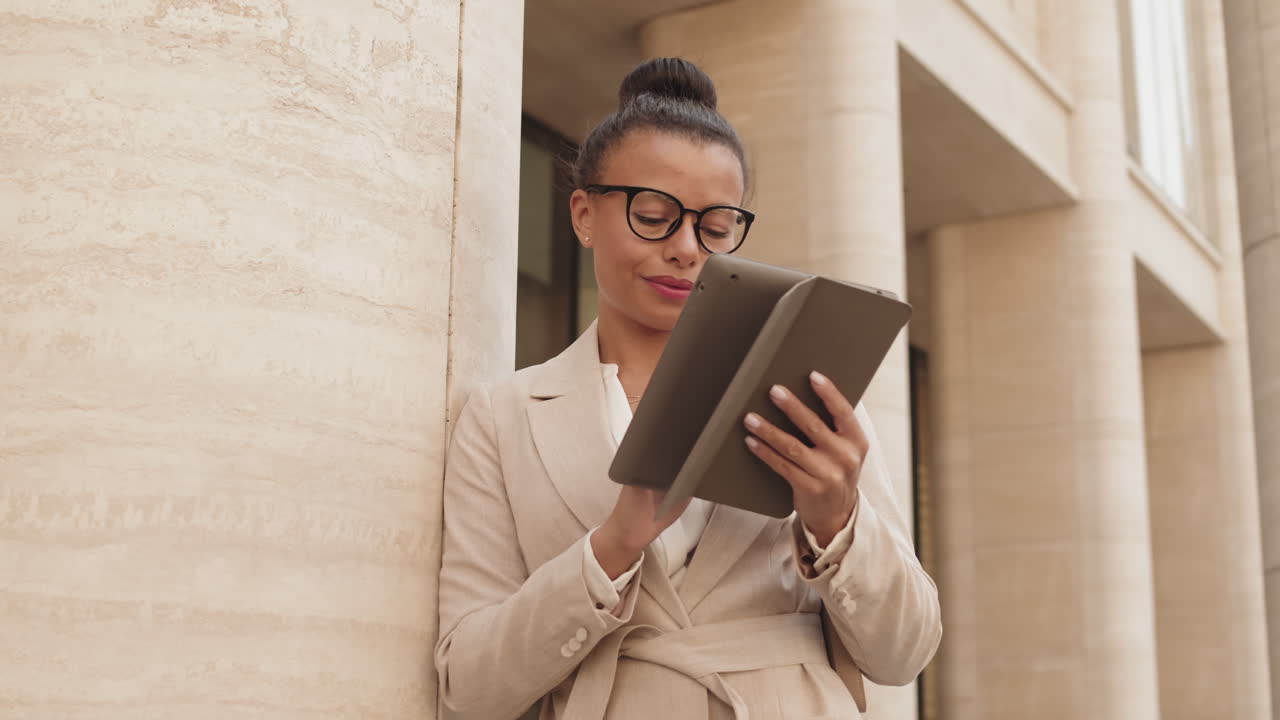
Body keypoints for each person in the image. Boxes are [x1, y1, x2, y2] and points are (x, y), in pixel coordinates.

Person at [434, 57, 941, 720]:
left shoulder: (807, 395)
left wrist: (838, 521)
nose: (685, 247)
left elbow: (904, 655)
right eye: (653, 215)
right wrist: (611, 546)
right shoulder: (503, 416)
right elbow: (467, 685)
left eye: (716, 225)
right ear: (584, 214)